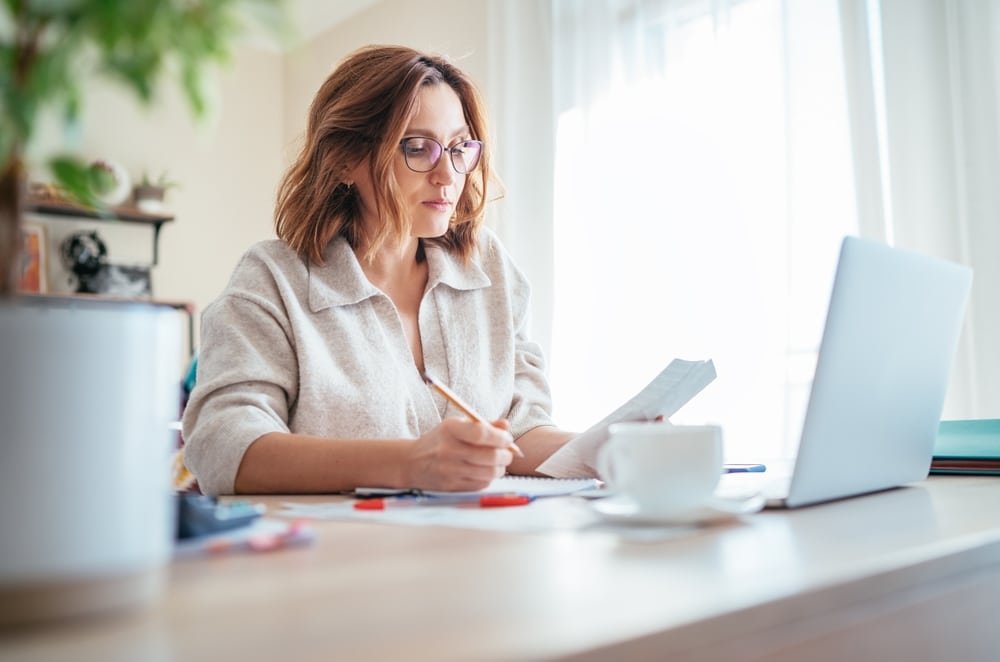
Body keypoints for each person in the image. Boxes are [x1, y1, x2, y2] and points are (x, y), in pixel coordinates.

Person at [182, 45, 576, 495]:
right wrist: (410, 463)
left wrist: (610, 449)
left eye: (458, 148)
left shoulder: (490, 269)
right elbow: (221, 449)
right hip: (334, 560)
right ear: (345, 159)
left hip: (473, 554)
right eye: (418, 148)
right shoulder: (273, 280)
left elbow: (520, 436)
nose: (448, 175)